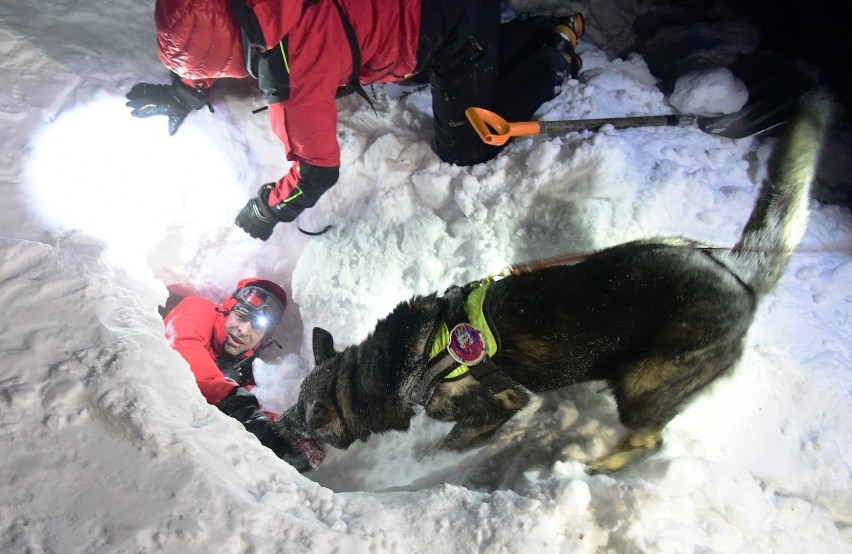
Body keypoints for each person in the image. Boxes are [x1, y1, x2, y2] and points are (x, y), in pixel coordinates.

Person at [126, 0, 585, 240]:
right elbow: (216, 27)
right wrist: (187, 89)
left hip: (450, 19)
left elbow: (316, 171)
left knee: (465, 144)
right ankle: (526, 34)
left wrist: (267, 209)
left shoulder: (292, 70)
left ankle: (552, 55)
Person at [163, 277, 316, 471]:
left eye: (257, 327)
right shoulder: (199, 309)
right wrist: (236, 402)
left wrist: (287, 432)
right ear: (227, 310)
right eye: (241, 316)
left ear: (263, 339)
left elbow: (254, 415)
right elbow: (183, 346)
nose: (243, 330)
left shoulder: (244, 376)